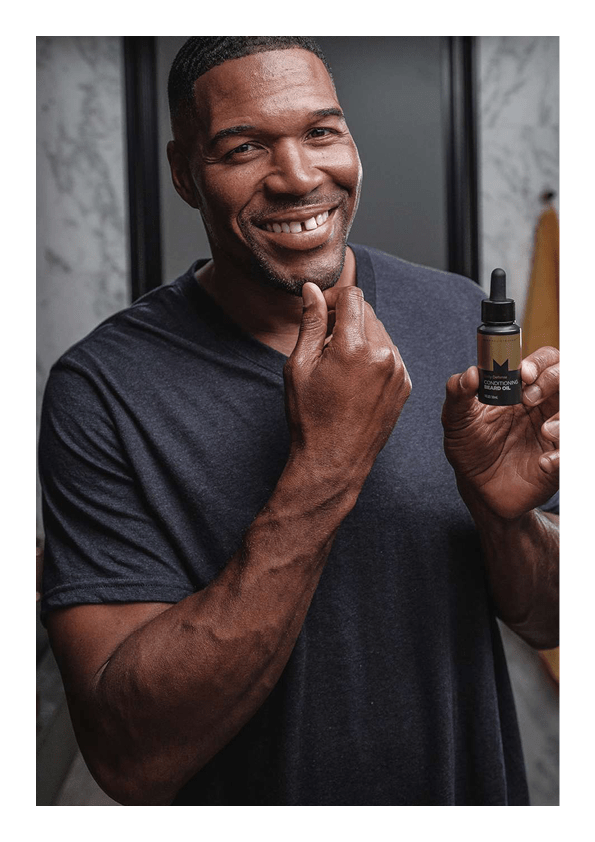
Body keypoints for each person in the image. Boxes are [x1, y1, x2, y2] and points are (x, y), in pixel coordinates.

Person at [38, 36, 559, 806]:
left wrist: (505, 518)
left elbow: (551, 619)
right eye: (244, 147)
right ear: (183, 172)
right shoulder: (100, 389)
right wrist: (326, 464)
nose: (298, 177)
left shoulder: (459, 315)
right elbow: (129, 758)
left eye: (321, 132)